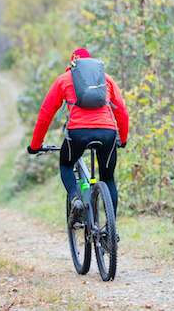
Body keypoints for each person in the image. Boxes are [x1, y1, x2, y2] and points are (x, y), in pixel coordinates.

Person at [27, 47, 129, 228]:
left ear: (73, 64)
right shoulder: (106, 79)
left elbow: (45, 115)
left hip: (78, 133)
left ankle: (75, 199)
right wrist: (123, 138)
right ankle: (111, 229)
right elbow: (122, 112)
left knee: (66, 164)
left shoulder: (64, 80)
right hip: (108, 133)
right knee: (108, 178)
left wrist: (36, 145)